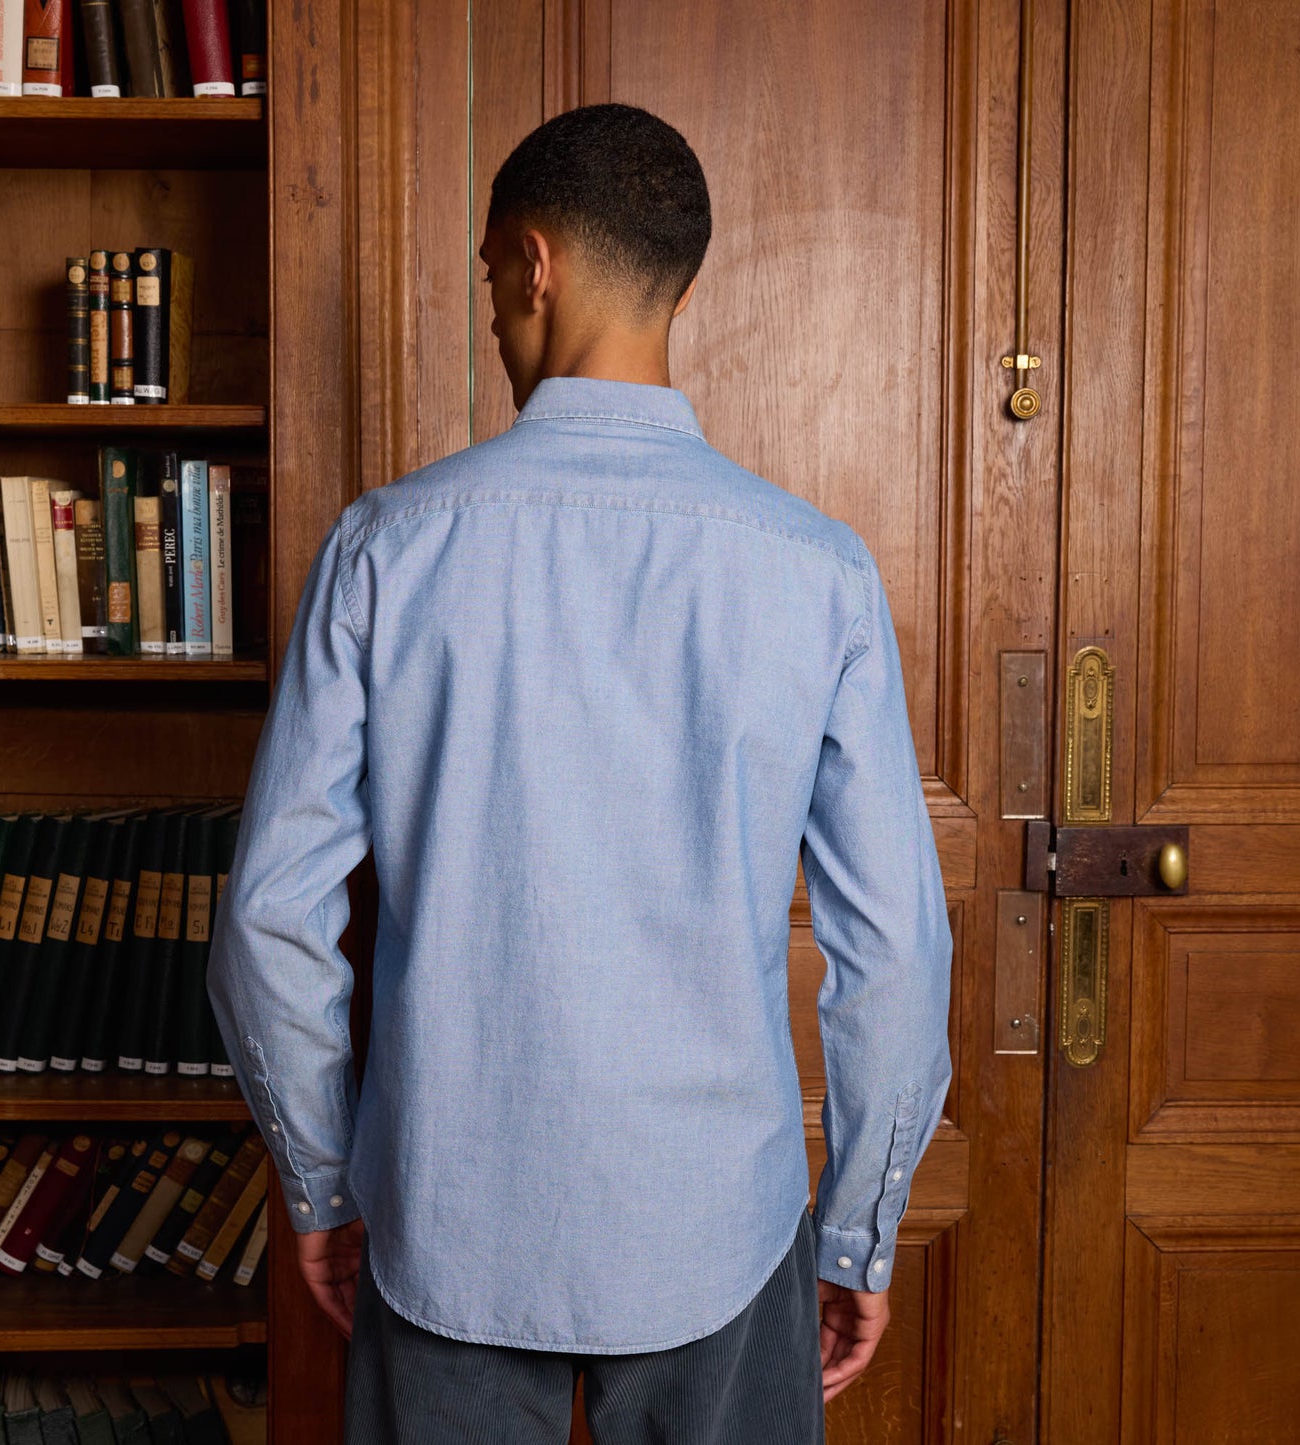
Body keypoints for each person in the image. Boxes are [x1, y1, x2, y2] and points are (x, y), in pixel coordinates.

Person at [208, 102, 952, 1444]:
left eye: (492, 274)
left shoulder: (384, 551)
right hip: (718, 1226)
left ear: (534, 263)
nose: (494, 312)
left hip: (445, 1220)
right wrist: (858, 1229)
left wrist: (320, 1183)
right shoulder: (817, 571)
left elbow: (269, 922)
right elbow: (893, 949)